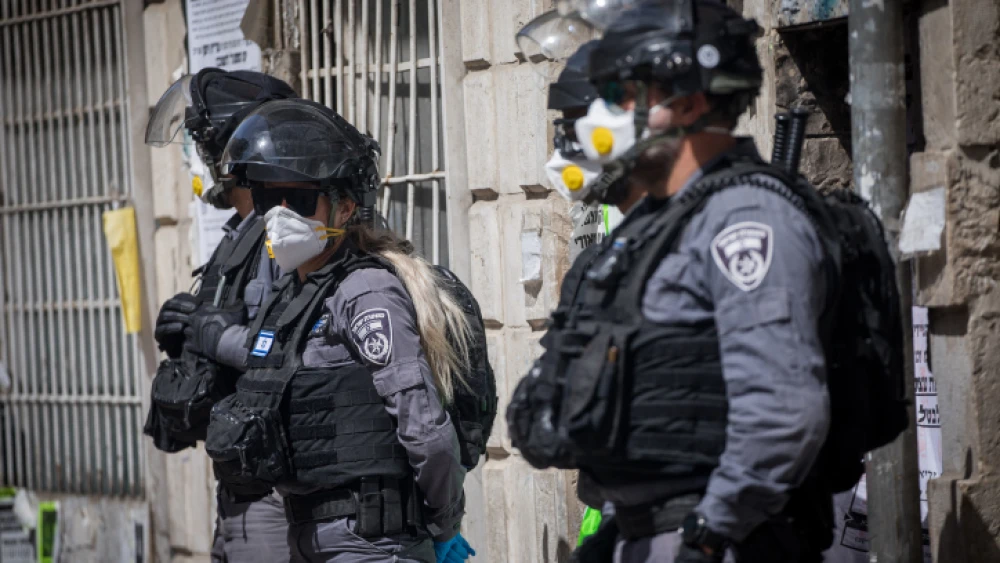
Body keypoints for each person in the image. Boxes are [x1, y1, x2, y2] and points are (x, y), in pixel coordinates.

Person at [520, 1, 838, 562]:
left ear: (688, 102)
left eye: (621, 94)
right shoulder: (654, 229)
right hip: (640, 530)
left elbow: (783, 411)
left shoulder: (744, 219)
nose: (601, 117)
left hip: (712, 537)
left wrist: (709, 536)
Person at [199, 99, 474, 563]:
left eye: (301, 200)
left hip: (369, 542)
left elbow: (425, 430)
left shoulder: (366, 292)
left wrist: (444, 523)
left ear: (345, 209)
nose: (281, 213)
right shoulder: (294, 295)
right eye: (268, 198)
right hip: (307, 534)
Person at [143, 67, 298, 563]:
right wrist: (186, 335)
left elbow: (279, 350)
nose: (204, 160)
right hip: (238, 473)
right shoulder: (238, 234)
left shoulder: (287, 234)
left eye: (206, 145)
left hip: (274, 484)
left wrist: (213, 337)